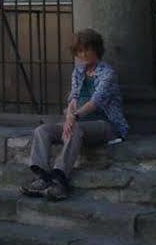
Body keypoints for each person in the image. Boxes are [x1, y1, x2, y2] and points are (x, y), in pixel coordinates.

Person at [21, 29, 126, 202]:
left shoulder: (108, 73)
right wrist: (70, 114)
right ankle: (43, 177)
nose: (82, 54)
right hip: (78, 122)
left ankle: (60, 179)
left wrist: (74, 118)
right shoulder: (78, 71)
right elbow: (73, 98)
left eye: (86, 49)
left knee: (75, 129)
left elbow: (96, 101)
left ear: (96, 49)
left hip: (105, 125)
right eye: (79, 51)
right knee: (42, 130)